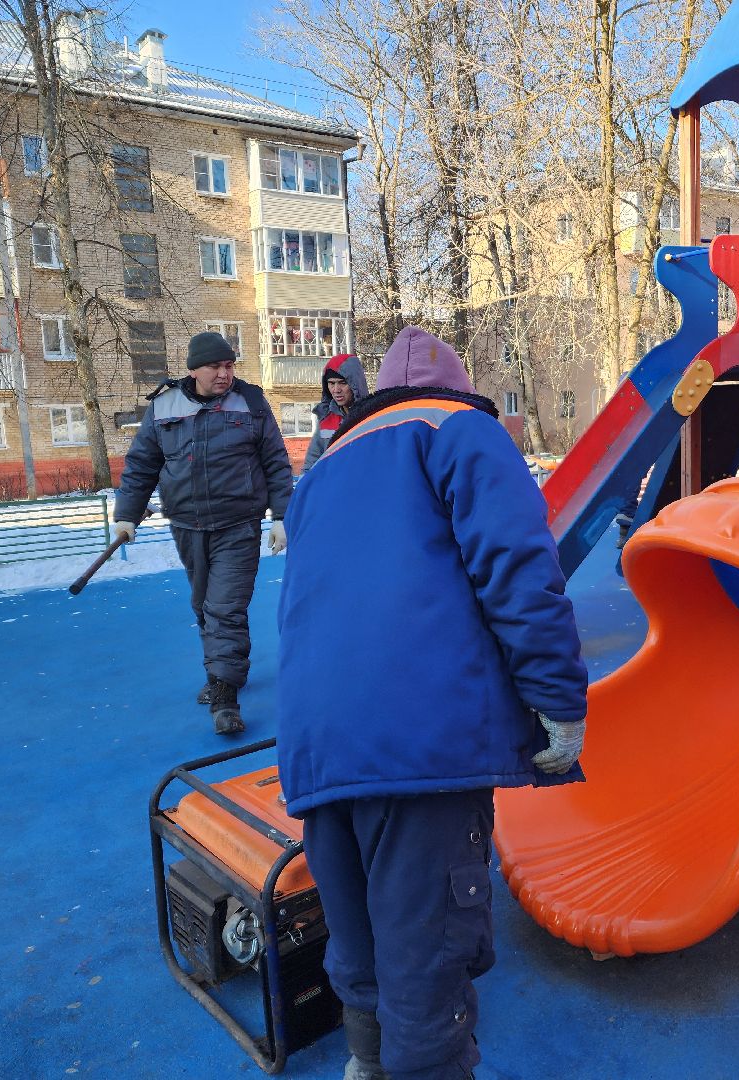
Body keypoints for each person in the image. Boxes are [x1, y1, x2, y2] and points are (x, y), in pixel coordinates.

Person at [277, 324, 588, 1080]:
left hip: (318, 743)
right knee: (427, 954)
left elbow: (298, 604)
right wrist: (556, 698)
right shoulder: (460, 430)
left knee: (357, 936)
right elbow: (519, 568)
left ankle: (365, 1061)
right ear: (459, 387)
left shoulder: (325, 467)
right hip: (420, 740)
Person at [113, 331, 293, 736]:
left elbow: (275, 462)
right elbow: (141, 465)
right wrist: (127, 515)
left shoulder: (251, 402)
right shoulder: (163, 405)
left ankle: (225, 696)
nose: (224, 374)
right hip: (187, 525)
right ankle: (221, 671)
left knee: (225, 608)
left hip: (238, 525)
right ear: (194, 369)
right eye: (215, 366)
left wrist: (282, 516)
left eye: (229, 365)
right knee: (203, 605)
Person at [302, 352, 368, 471]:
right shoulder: (326, 419)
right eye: (331, 383)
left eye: (342, 383)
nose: (336, 390)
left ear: (355, 384)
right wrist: (305, 483)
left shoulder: (371, 417)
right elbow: (311, 465)